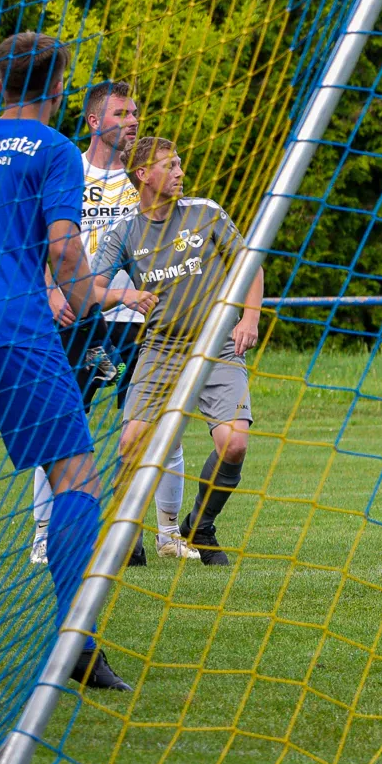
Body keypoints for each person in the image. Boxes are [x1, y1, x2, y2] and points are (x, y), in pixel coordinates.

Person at [0, 32, 124, 689]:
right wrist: (87, 309)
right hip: (16, 325)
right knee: (75, 475)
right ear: (58, 87)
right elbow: (64, 248)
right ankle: (76, 643)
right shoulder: (54, 149)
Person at [32, 80, 192, 569]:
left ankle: (168, 533)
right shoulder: (67, 169)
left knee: (161, 427)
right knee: (61, 423)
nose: (132, 121)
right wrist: (51, 290)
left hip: (138, 321)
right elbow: (40, 237)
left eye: (135, 112)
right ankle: (44, 534)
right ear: (94, 121)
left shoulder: (147, 177)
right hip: (76, 319)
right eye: (121, 113)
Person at [92, 137, 263, 568]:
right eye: (170, 166)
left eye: (180, 164)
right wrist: (125, 295)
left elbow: (251, 265)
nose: (180, 172)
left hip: (218, 345)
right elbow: (91, 290)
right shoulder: (125, 231)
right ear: (143, 175)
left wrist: (249, 318)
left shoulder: (205, 213)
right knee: (131, 442)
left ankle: (200, 526)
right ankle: (126, 536)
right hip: (161, 348)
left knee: (234, 445)